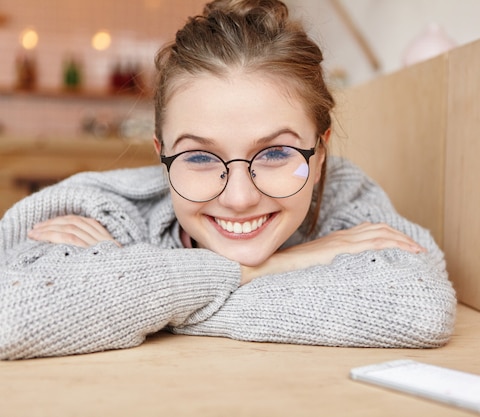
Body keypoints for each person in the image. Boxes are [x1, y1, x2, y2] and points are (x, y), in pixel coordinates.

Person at [0, 0, 456, 360]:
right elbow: (13, 315)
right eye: (199, 156)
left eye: (276, 153)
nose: (239, 198)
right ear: (162, 155)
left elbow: (418, 305)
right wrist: (262, 268)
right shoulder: (103, 210)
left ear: (318, 154)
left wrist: (134, 298)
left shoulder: (343, 196)